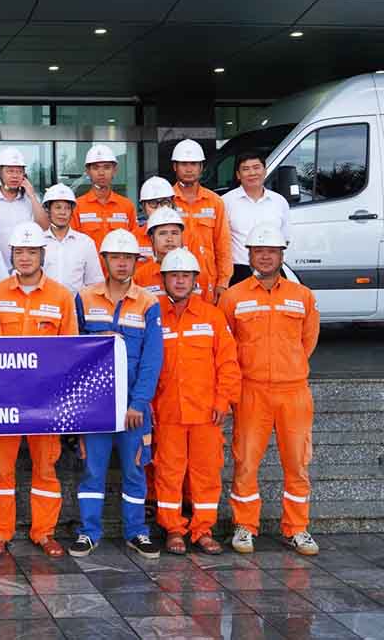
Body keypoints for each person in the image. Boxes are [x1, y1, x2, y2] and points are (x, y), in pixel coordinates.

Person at [219, 223, 320, 556]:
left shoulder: (302, 296)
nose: (265, 257)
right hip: (251, 391)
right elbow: (226, 346)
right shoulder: (233, 297)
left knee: (298, 463)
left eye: (272, 251)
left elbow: (308, 340)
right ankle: (245, 526)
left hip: (294, 391)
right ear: (248, 255)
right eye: (259, 251)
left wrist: (290, 367)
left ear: (281, 255)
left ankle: (297, 528)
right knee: (246, 461)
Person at [0, 222, 78, 557]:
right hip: (6, 398)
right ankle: (0, 531)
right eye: (19, 252)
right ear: (11, 255)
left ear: (43, 255)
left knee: (46, 467)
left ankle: (44, 532)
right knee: (1, 468)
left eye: (32, 252)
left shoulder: (61, 296)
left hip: (45, 400)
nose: (25, 258)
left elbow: (70, 350)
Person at [71, 229, 164, 559]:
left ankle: (137, 532)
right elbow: (72, 348)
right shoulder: (84, 298)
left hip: (133, 408)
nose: (122, 263)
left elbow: (152, 359)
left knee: (135, 470)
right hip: (95, 405)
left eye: (128, 258)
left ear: (136, 262)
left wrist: (139, 402)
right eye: (116, 257)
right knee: (92, 471)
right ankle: (88, 532)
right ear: (104, 261)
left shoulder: (148, 303)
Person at [154, 248, 240, 555]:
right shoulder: (153, 316)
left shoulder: (212, 317)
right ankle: (173, 529)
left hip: (206, 412)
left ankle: (203, 529)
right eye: (174, 276)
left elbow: (228, 363)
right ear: (163, 280)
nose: (180, 281)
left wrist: (223, 400)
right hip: (167, 411)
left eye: (185, 276)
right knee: (168, 472)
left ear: (195, 281)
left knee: (206, 472)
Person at [171, 139, 233, 302]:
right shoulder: (166, 200)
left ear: (201, 167)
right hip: (174, 279)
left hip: (208, 283)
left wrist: (223, 282)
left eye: (194, 164)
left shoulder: (215, 202)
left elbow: (223, 245)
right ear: (175, 167)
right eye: (184, 164)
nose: (189, 169)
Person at [222, 153, 291, 285]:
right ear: (238, 175)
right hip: (239, 271)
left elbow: (285, 238)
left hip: (273, 271)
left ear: (265, 171)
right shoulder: (225, 202)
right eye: (246, 169)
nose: (252, 173)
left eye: (256, 167)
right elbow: (220, 242)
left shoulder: (279, 201)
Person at [0, 146, 49, 267]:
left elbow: (44, 227)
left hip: (26, 268)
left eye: (19, 172)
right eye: (10, 171)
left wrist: (32, 195)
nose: (15, 176)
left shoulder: (32, 201)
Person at [70, 144, 138, 252]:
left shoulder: (126, 206)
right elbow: (72, 245)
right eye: (95, 168)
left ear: (114, 170)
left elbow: (134, 241)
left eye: (106, 167)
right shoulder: (77, 207)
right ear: (88, 171)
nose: (101, 173)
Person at [41, 183, 103, 295]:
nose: (62, 212)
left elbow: (95, 283)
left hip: (76, 304)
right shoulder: (38, 242)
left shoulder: (85, 243)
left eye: (67, 208)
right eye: (58, 207)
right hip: (44, 303)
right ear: (48, 210)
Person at [133, 208, 202, 297]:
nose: (169, 239)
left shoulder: (197, 274)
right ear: (152, 239)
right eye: (163, 233)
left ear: (182, 237)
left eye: (174, 233)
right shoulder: (140, 277)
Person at [136, 176, 177, 262]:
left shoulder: (188, 236)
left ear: (173, 205)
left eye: (165, 203)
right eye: (153, 203)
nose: (159, 209)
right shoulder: (133, 238)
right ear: (143, 207)